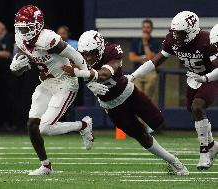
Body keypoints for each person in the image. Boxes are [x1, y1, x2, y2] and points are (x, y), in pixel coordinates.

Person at [62, 30, 189, 176]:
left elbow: (104, 74)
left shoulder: (112, 51)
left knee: (159, 122)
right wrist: (90, 85)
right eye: (85, 54)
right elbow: (75, 74)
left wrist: (81, 74)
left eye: (91, 53)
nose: (88, 57)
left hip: (129, 94)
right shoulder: (80, 58)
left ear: (101, 49)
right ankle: (174, 162)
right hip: (112, 106)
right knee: (141, 137)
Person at [10, 5, 106, 175]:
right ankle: (45, 165)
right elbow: (21, 67)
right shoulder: (20, 39)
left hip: (65, 83)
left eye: (27, 28)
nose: (24, 32)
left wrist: (88, 80)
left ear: (38, 25)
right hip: (47, 83)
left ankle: (83, 125)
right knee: (32, 125)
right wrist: (15, 67)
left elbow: (76, 56)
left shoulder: (48, 39)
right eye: (21, 28)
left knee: (44, 128)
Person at [126, 11, 218, 170]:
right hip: (192, 78)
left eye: (181, 34)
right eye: (174, 33)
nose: (176, 37)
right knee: (195, 112)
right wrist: (133, 75)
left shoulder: (206, 40)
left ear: (192, 31)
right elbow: (155, 61)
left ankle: (205, 153)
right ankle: (212, 145)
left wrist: (206, 78)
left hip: (211, 77)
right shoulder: (173, 40)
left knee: (198, 106)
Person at [129, 19, 159, 102]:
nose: (146, 29)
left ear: (151, 29)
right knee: (137, 97)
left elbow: (151, 59)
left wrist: (145, 43)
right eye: (144, 27)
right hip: (138, 72)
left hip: (150, 72)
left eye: (148, 27)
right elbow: (132, 58)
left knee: (148, 99)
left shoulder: (155, 42)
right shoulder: (136, 41)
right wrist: (143, 58)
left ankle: (148, 113)